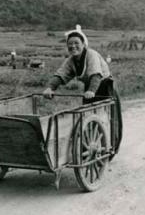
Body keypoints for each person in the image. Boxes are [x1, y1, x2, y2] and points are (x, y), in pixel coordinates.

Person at [42, 25, 122, 155]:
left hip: (105, 87)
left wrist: (91, 91)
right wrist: (50, 88)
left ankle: (110, 147)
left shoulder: (91, 55)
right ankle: (88, 146)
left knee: (108, 118)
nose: (73, 46)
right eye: (70, 44)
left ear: (84, 44)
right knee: (87, 116)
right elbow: (61, 75)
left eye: (76, 43)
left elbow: (96, 76)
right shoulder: (71, 60)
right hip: (90, 90)